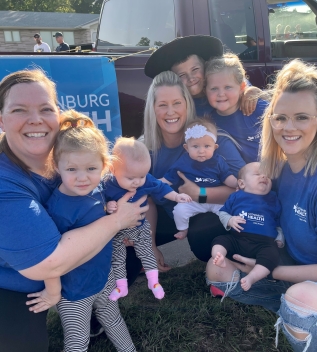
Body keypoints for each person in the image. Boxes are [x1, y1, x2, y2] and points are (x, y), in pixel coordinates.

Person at [0, 69, 147, 352]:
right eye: (19, 109)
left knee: (125, 260)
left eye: (46, 109)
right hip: (15, 281)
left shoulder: (66, 157)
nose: (35, 119)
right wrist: (117, 220)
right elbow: (48, 263)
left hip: (79, 273)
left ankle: (95, 316)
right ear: (2, 119)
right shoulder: (6, 182)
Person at [206, 59, 317, 352]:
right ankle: (295, 311)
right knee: (217, 271)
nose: (289, 127)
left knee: (300, 301)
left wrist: (271, 271)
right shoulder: (282, 170)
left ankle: (303, 316)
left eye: (302, 117)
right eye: (280, 117)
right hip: (294, 264)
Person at [25, 111, 136, 352]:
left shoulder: (97, 189)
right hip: (73, 292)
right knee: (77, 340)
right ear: (57, 166)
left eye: (91, 168)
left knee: (114, 319)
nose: (82, 178)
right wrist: (53, 292)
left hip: (103, 277)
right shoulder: (57, 209)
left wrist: (111, 206)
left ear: (104, 166)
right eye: (72, 169)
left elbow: (100, 207)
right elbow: (49, 256)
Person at [143, 70, 245, 267]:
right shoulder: (145, 149)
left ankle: (228, 262)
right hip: (171, 214)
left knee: (202, 235)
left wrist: (200, 193)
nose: (170, 112)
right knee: (130, 250)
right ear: (152, 109)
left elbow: (244, 188)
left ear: (187, 104)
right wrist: (150, 246)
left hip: (211, 212)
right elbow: (146, 199)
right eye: (162, 105)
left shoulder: (211, 140)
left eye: (177, 103)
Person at [105, 137, 191, 301]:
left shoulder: (143, 179)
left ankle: (154, 282)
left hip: (139, 226)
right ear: (113, 169)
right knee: (118, 256)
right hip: (117, 231)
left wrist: (176, 196)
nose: (137, 182)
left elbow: (161, 187)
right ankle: (121, 287)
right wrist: (109, 205)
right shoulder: (108, 183)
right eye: (131, 178)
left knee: (146, 252)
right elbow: (100, 201)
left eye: (142, 176)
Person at [144, 35, 261, 117]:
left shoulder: (224, 79)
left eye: (195, 69)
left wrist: (252, 91)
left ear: (206, 65)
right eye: (182, 75)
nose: (191, 78)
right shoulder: (178, 103)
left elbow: (244, 87)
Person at [212, 162, 283, 292]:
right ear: (242, 183)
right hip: (238, 239)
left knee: (272, 256)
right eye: (257, 174)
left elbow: (278, 222)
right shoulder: (236, 196)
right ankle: (220, 257)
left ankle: (252, 277)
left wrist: (280, 238)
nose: (264, 177)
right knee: (220, 241)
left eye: (267, 175)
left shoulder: (273, 198)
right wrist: (230, 220)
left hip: (264, 243)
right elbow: (223, 212)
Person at [161, 119, 237, 239]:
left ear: (215, 147)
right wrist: (155, 183)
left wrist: (237, 183)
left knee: (229, 211)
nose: (201, 151)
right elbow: (168, 178)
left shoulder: (218, 161)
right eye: (195, 146)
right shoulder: (183, 162)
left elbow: (227, 177)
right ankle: (183, 229)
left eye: (207, 146)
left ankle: (233, 227)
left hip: (216, 199)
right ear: (186, 148)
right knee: (179, 210)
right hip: (192, 201)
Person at [205, 54, 268, 163]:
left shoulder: (257, 106)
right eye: (214, 88)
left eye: (228, 87)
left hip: (276, 170)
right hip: (242, 177)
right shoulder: (209, 122)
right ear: (205, 91)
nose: (221, 94)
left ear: (242, 87)